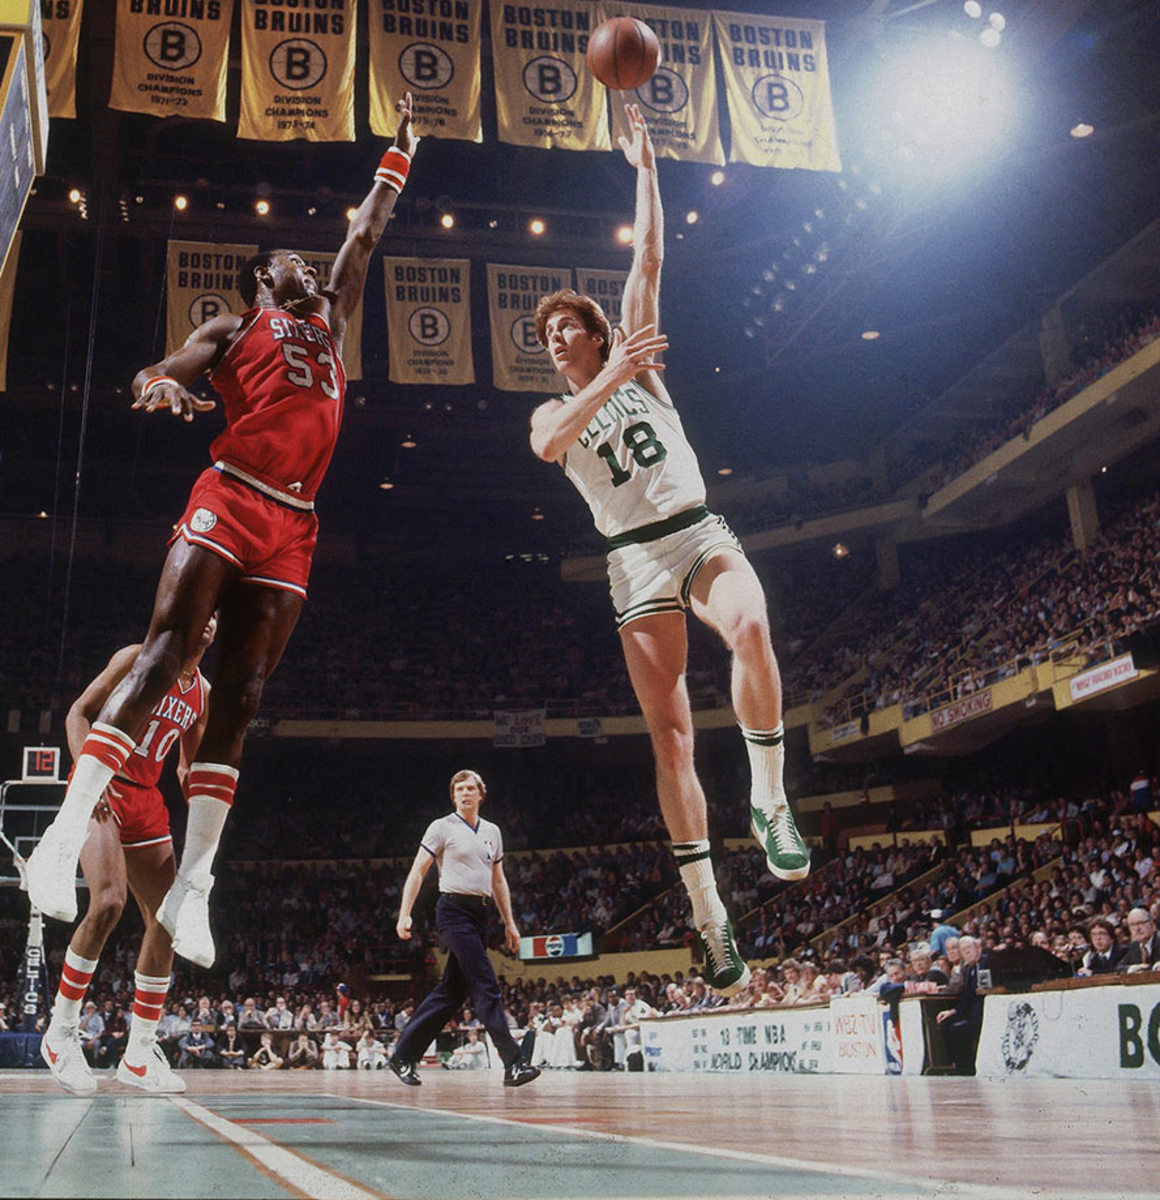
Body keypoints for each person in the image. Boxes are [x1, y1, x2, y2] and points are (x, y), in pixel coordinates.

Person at [24, 96, 422, 971]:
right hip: (231, 494)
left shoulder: (331, 322)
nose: (307, 267)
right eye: (290, 261)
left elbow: (363, 241)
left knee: (240, 695)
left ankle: (196, 885)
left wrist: (398, 155)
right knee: (167, 653)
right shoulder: (234, 326)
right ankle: (58, 842)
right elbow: (159, 370)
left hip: (295, 524)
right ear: (261, 278)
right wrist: (155, 386)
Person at [529, 104, 809, 998]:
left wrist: (647, 166)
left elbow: (648, 256)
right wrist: (608, 373)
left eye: (565, 326)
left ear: (596, 330)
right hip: (633, 562)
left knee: (755, 630)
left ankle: (769, 799)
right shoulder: (552, 412)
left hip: (694, 531)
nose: (555, 340)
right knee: (672, 738)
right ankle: (709, 913)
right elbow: (546, 446)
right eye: (546, 337)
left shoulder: (639, 361)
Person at [38, 618, 216, 1096]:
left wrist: (203, 813)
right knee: (109, 903)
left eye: (216, 618)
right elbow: (79, 713)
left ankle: (139, 1054)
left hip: (146, 799)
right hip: (101, 783)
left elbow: (186, 765)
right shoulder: (137, 656)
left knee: (168, 920)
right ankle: (60, 1033)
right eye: (203, 614)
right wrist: (85, 779)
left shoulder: (201, 692)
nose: (209, 623)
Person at [390, 769, 539, 1088]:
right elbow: (418, 871)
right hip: (453, 911)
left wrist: (510, 923)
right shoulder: (441, 827)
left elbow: (498, 881)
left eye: (471, 788)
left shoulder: (493, 832)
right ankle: (513, 1062)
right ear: (453, 795)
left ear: (481, 794)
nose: (465, 793)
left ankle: (403, 1055)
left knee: (452, 991)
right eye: (459, 789)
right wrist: (405, 914)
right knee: (485, 982)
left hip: (479, 914)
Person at [1117, 907, 1160, 972]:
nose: (1137, 929)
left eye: (1141, 923)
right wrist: (1132, 968)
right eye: (1133, 925)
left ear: (1151, 924)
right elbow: (1118, 967)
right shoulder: (1135, 946)